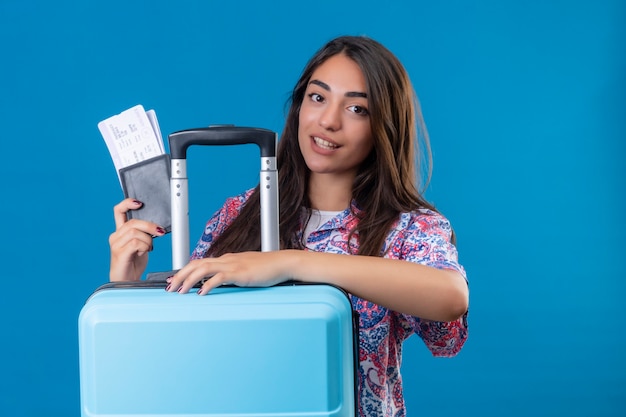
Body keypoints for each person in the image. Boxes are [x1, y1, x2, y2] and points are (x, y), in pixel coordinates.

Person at [109, 35, 469, 417]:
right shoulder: (238, 214)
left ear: (384, 125)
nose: (329, 121)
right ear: (298, 105)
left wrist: (289, 262)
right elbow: (177, 353)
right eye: (318, 98)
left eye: (357, 109)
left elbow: (450, 297)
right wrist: (124, 284)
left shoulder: (408, 229)